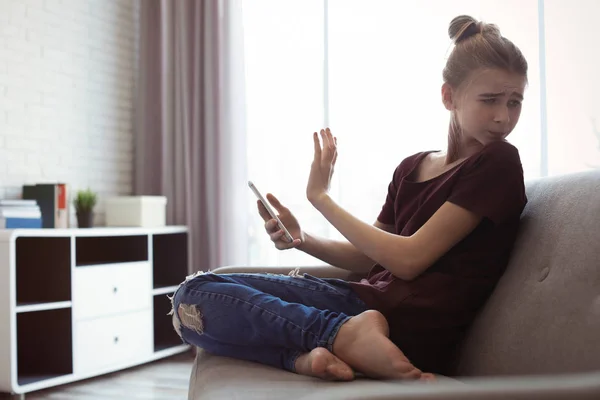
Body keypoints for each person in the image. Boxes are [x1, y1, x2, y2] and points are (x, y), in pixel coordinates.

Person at [170, 15, 528, 382]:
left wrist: (321, 198)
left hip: (405, 327)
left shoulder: (497, 162)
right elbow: (366, 259)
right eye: (490, 100)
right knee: (190, 304)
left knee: (197, 295)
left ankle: (335, 337)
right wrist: (303, 240)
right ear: (448, 95)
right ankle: (312, 353)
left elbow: (408, 261)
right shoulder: (412, 167)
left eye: (515, 102)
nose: (504, 118)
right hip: (358, 305)